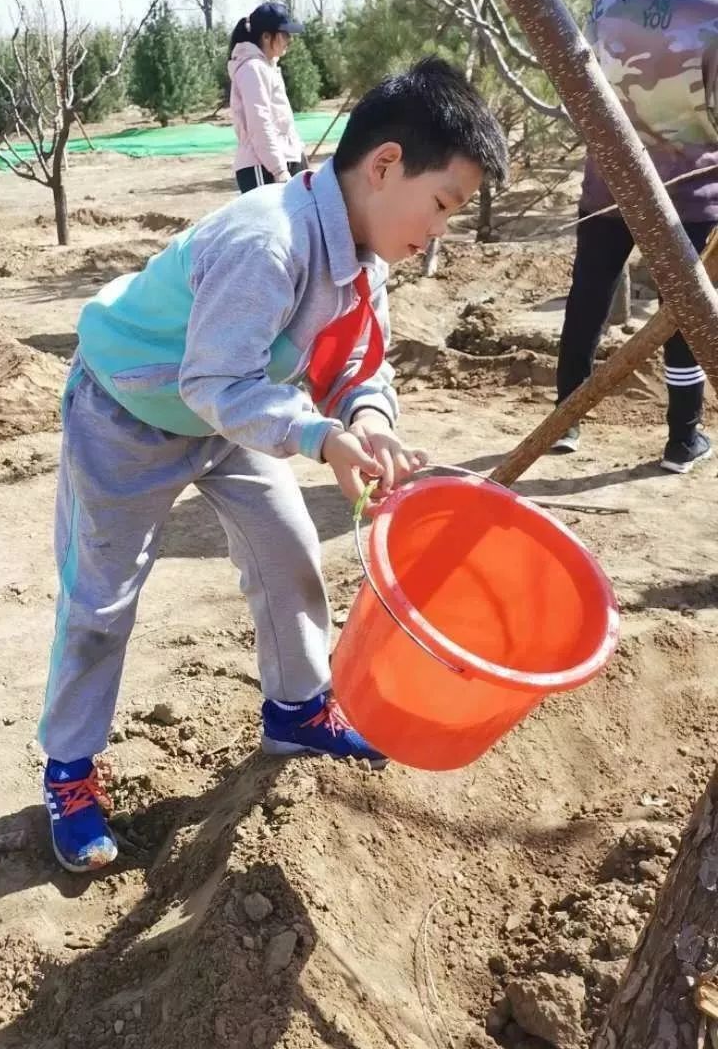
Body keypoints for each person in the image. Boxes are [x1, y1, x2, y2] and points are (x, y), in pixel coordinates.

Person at [37, 57, 509, 873]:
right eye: (441, 205)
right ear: (385, 164)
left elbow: (362, 365)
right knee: (101, 603)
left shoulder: (365, 259)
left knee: (289, 552)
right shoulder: (269, 241)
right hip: (129, 414)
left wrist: (364, 419)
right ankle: (69, 772)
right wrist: (321, 439)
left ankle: (297, 709)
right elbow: (213, 379)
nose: (439, 231)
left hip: (229, 418)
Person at [552, 0, 718, 473]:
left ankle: (565, 420)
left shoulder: (612, 3)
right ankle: (683, 437)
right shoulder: (714, 12)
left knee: (589, 297)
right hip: (690, 190)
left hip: (611, 182)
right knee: (684, 308)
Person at [228, 2, 307, 193]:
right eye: (285, 34)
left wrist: (299, 157)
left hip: (280, 160)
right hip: (262, 167)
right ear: (266, 36)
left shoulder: (267, 67)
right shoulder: (252, 68)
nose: (290, 40)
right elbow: (260, 122)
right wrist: (279, 170)